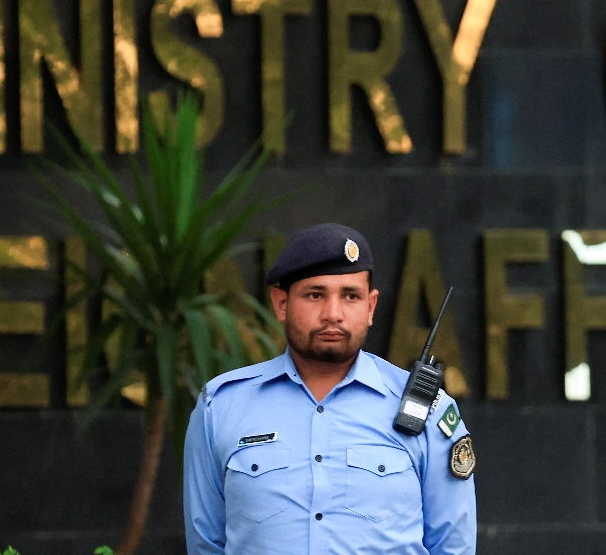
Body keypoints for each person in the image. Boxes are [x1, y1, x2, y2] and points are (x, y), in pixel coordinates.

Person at [183, 223, 477, 555]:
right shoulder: (222, 407)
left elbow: (454, 546)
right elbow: (206, 544)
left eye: (351, 296)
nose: (333, 314)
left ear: (370, 307)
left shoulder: (429, 410)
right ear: (281, 304)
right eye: (315, 295)